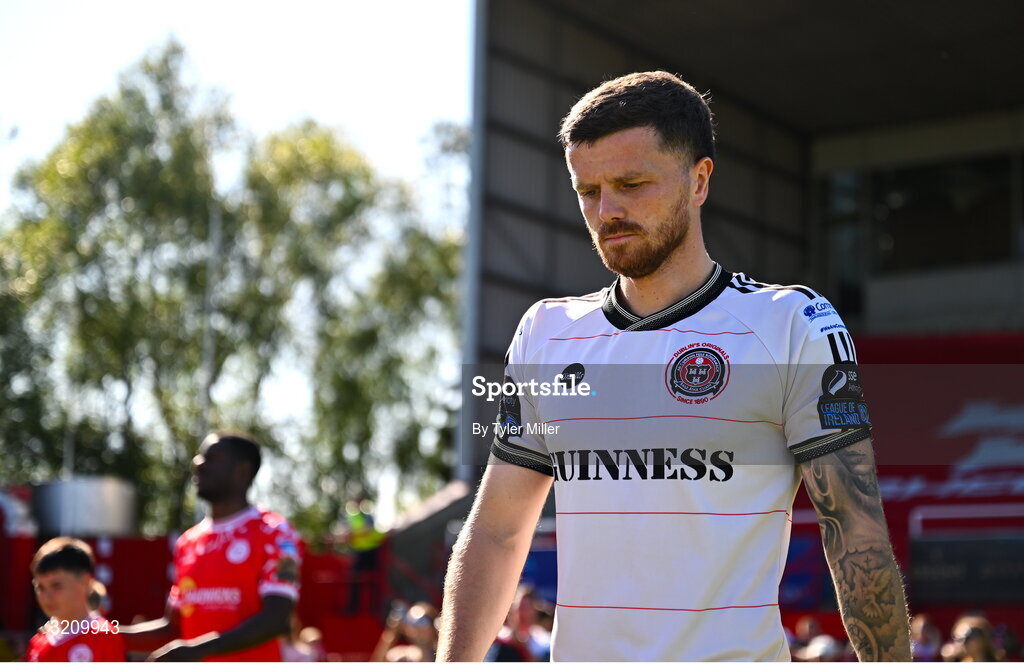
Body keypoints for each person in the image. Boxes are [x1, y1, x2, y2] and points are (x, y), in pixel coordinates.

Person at [437, 71, 912, 661]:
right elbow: (498, 531)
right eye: (588, 191)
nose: (607, 211)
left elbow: (856, 537)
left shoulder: (790, 325)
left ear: (699, 180)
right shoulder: (545, 334)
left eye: (632, 183)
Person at [121, 431, 301, 661]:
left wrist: (198, 650)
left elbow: (275, 619)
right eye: (199, 457)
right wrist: (97, 631)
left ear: (242, 472)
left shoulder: (274, 532)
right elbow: (173, 628)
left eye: (211, 458)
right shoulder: (188, 541)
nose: (198, 464)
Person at [26, 537, 125, 662]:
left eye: (56, 586)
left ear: (85, 581)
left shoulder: (103, 638)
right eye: (40, 587)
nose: (47, 596)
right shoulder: (38, 642)